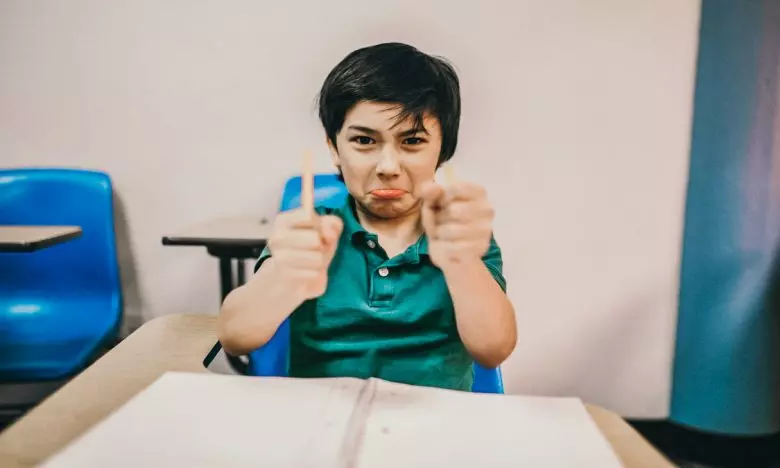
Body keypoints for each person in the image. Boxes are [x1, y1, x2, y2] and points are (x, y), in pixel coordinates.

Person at [218, 42, 516, 391]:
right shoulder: (311, 232)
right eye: (363, 140)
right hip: (320, 424)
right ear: (334, 149)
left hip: (434, 430)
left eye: (413, 141)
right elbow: (235, 337)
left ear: (442, 150)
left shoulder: (459, 234)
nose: (388, 167)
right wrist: (283, 277)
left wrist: (462, 264)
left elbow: (493, 350)